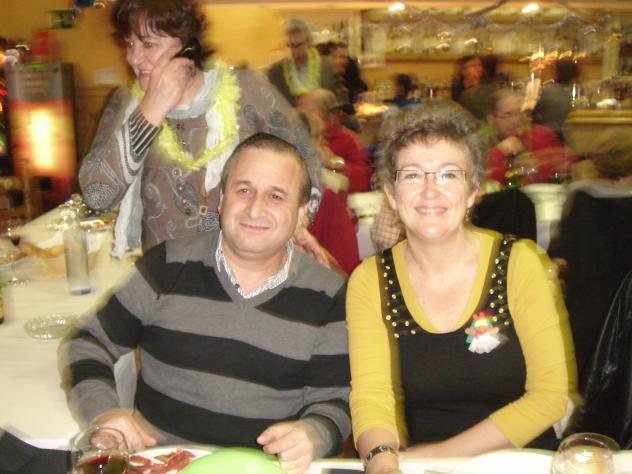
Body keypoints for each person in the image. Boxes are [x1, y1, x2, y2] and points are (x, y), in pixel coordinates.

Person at [60, 133, 351, 473]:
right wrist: (104, 414)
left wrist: (314, 433)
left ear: (301, 214)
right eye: (244, 190)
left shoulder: (329, 295)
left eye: (276, 196)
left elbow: (338, 399)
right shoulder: (166, 267)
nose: (255, 208)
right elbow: (87, 341)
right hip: (162, 463)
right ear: (222, 199)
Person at [346, 107, 577, 473]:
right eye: (412, 174)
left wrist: (438, 457)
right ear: (390, 193)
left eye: (449, 174)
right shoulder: (370, 279)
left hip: (517, 463)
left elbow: (549, 397)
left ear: (473, 191)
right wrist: (382, 460)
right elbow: (372, 396)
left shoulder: (519, 263)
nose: (430, 190)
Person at [78, 0, 323, 258]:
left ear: (187, 46)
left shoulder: (250, 92)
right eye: (130, 43)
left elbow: (309, 160)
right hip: (163, 271)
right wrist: (150, 110)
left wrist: (298, 221)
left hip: (245, 267)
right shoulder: (126, 104)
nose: (133, 58)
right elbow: (97, 196)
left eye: (148, 44)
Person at [485, 89, 572, 186]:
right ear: (491, 119)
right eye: (507, 115)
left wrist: (541, 163)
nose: (516, 120)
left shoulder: (538, 134)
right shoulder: (482, 144)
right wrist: (500, 152)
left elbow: (567, 159)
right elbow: (484, 181)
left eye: (518, 112)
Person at [298, 89, 372, 194]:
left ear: (321, 112)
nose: (299, 113)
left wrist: (335, 163)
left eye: (305, 109)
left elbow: (363, 182)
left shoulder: (347, 139)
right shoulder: (293, 138)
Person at [267, 19, 337, 105]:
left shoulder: (326, 65)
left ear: (309, 42)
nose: (293, 51)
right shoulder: (275, 71)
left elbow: (332, 100)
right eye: (289, 45)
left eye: (298, 45)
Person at [532, 57, 579, 141]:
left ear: (556, 72)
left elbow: (533, 112)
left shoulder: (547, 91)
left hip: (547, 137)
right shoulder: (578, 93)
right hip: (573, 138)